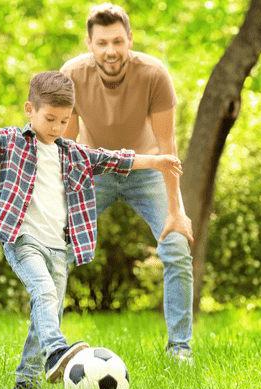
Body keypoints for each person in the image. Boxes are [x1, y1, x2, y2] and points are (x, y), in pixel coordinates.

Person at [0, 71, 184, 389]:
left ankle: (25, 383)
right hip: (22, 239)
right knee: (44, 292)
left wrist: (157, 160)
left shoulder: (74, 154)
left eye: (64, 121)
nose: (56, 127)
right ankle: (57, 351)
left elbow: (114, 158)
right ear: (30, 109)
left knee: (48, 309)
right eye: (50, 118)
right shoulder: (13, 143)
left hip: (58, 248)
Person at [60, 3, 195, 361]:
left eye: (118, 41)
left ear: (130, 40)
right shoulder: (71, 75)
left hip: (147, 167)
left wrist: (176, 210)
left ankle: (180, 349)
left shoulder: (153, 74)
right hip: (95, 169)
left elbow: (168, 147)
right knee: (55, 249)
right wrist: (59, 209)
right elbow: (66, 148)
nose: (111, 51)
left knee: (178, 247)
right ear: (89, 43)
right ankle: (52, 348)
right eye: (102, 42)